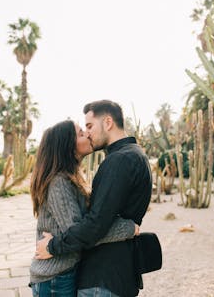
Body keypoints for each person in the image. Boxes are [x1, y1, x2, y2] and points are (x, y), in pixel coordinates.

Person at [36, 100, 153, 297]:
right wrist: (129, 228)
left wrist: (52, 246)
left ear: (108, 123)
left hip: (104, 276)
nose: (88, 133)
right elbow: (88, 224)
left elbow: (95, 225)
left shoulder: (120, 160)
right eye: (82, 131)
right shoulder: (130, 156)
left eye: (89, 127)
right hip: (104, 275)